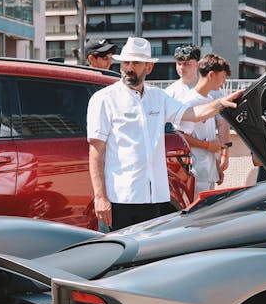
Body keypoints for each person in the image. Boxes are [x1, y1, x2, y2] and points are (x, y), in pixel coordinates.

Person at [86, 37, 242, 230]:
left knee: (149, 249)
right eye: (126, 62)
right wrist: (100, 197)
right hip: (120, 199)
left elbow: (192, 113)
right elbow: (96, 152)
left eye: (136, 63)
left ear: (149, 67)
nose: (129, 67)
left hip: (153, 199)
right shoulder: (103, 99)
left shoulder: (158, 97)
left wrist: (220, 104)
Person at [166, 44, 231, 180]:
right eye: (179, 64)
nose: (181, 68)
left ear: (197, 64)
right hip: (187, 166)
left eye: (187, 64)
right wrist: (208, 146)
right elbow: (177, 134)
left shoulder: (213, 90)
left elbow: (222, 124)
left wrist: (224, 154)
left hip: (207, 164)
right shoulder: (169, 93)